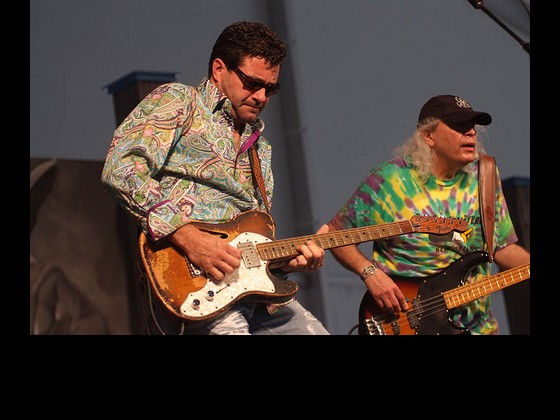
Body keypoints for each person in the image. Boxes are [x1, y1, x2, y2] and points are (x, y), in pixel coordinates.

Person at [101, 21, 330, 335]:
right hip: (192, 285)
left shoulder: (260, 147)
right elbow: (122, 169)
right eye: (252, 82)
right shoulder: (181, 102)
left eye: (271, 88)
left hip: (254, 293)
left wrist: (284, 261)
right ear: (219, 68)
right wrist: (190, 239)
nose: (262, 96)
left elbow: (250, 237)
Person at [326, 94, 530, 335]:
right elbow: (335, 234)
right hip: (404, 322)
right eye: (458, 125)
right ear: (428, 136)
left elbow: (500, 247)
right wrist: (370, 274)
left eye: (472, 126)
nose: (471, 133)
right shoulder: (390, 180)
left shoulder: (485, 177)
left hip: (476, 327)